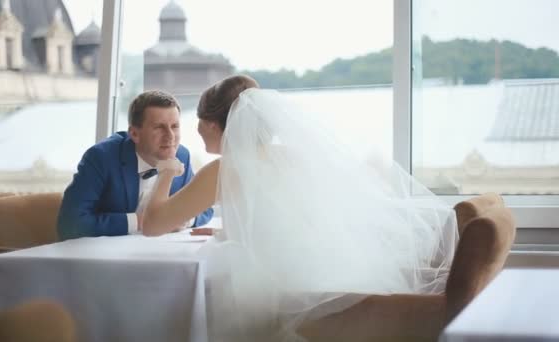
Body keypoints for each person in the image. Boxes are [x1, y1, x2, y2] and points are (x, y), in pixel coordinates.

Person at [141, 75, 458, 341]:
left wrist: (167, 172)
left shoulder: (225, 169)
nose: (195, 130)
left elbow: (153, 224)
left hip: (271, 296)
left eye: (199, 121)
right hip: (321, 276)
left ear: (213, 124)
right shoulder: (291, 156)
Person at [56, 90, 213, 240]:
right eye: (159, 127)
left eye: (174, 126)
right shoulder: (101, 157)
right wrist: (140, 221)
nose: (170, 137)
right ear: (134, 134)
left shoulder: (181, 155)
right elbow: (70, 224)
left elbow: (205, 209)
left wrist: (183, 218)